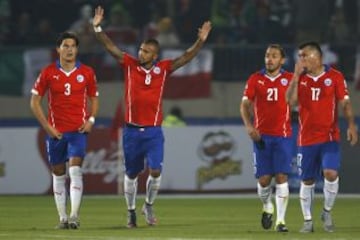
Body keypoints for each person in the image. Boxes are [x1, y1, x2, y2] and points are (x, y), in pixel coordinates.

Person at [92, 6, 211, 228]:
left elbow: (186, 57)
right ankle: (130, 211)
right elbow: (110, 47)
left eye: (146, 51)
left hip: (154, 131)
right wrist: (97, 27)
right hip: (131, 130)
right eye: (140, 49)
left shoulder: (163, 69)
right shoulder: (129, 65)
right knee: (131, 174)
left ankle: (148, 205)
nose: (141, 53)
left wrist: (200, 41)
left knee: (156, 171)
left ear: (154, 55)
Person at [286, 41, 358, 233]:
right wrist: (294, 76)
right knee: (307, 180)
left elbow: (345, 103)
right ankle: (308, 221)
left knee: (330, 173)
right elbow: (290, 101)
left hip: (329, 136)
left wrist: (351, 125)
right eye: (299, 56)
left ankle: (327, 211)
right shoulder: (300, 79)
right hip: (306, 138)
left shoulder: (335, 77)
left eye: (303, 56)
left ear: (316, 58)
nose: (300, 60)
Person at [30, 31, 99, 229]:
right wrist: (47, 127)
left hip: (78, 131)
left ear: (77, 49)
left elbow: (94, 98)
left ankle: (75, 215)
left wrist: (91, 120)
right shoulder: (48, 72)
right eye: (65, 46)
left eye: (73, 46)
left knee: (75, 170)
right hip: (56, 133)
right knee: (58, 174)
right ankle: (62, 218)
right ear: (58, 49)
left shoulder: (87, 72)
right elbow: (34, 101)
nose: (69, 50)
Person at [240, 44, 293, 232]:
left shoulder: (290, 79)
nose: (269, 59)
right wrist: (249, 126)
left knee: (281, 177)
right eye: (267, 55)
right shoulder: (256, 79)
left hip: (283, 136)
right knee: (264, 180)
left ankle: (281, 221)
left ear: (282, 60)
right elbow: (244, 105)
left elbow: (300, 103)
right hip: (261, 137)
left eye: (274, 56)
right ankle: (267, 205)